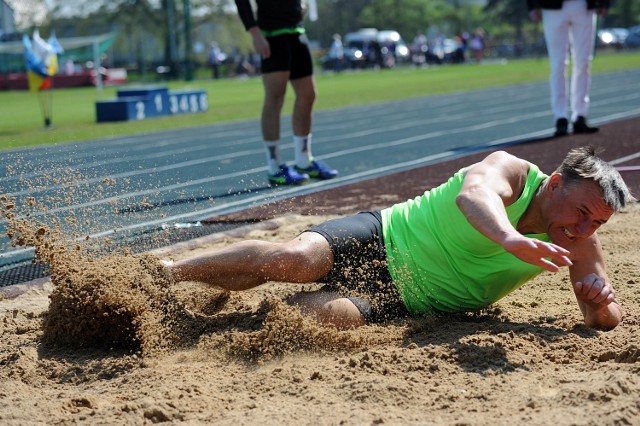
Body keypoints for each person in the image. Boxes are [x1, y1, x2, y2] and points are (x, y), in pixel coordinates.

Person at [166, 146, 634, 331]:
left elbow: (607, 317)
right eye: (582, 213)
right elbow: (473, 197)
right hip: (384, 236)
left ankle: (202, 324)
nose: (583, 229)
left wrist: (597, 303)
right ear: (554, 184)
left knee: (314, 319)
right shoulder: (511, 171)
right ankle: (168, 273)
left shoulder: (578, 241)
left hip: (408, 300)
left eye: (597, 224)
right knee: (295, 259)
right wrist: (510, 238)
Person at [234, 0, 338, 185]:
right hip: (272, 35)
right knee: (275, 97)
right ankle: (274, 166)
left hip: (297, 32)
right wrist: (255, 33)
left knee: (308, 94)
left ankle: (304, 161)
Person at [527, 0, 609, 137]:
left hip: (583, 5)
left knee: (583, 62)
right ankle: (560, 117)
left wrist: (604, 2)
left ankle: (580, 115)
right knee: (558, 64)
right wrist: (532, 5)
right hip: (552, 8)